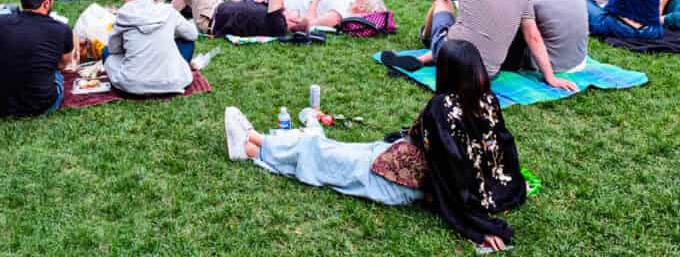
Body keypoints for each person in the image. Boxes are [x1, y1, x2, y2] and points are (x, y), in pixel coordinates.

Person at [224, 41, 527, 252]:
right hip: (400, 157)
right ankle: (255, 144)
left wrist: (475, 226)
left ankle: (253, 146)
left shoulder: (442, 107)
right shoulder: (487, 100)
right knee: (332, 151)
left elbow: (456, 174)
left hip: (399, 180)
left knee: (325, 157)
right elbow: (498, 153)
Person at [399, 0, 578, 93]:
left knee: (441, 0)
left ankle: (425, 37)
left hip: (449, 59)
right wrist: (550, 77)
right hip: (485, 73)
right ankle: (423, 58)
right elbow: (533, 37)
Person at [0, 0, 74, 117]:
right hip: (42, 104)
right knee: (57, 76)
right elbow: (62, 65)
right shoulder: (62, 29)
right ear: (46, 3)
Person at [104, 0, 198, 96]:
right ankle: (170, 70)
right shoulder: (168, 10)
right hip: (173, 82)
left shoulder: (124, 13)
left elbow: (113, 49)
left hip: (133, 85)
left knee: (106, 51)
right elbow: (192, 34)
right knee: (187, 42)